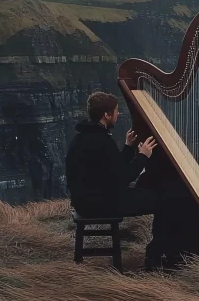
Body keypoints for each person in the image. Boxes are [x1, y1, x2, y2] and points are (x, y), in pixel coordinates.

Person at [64, 91, 162, 267]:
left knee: (155, 197)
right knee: (163, 200)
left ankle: (157, 252)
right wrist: (143, 156)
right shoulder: (101, 141)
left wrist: (128, 147)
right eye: (116, 111)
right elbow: (125, 177)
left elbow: (112, 170)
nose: (119, 114)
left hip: (86, 201)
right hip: (102, 203)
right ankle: (156, 255)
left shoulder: (83, 137)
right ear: (106, 115)